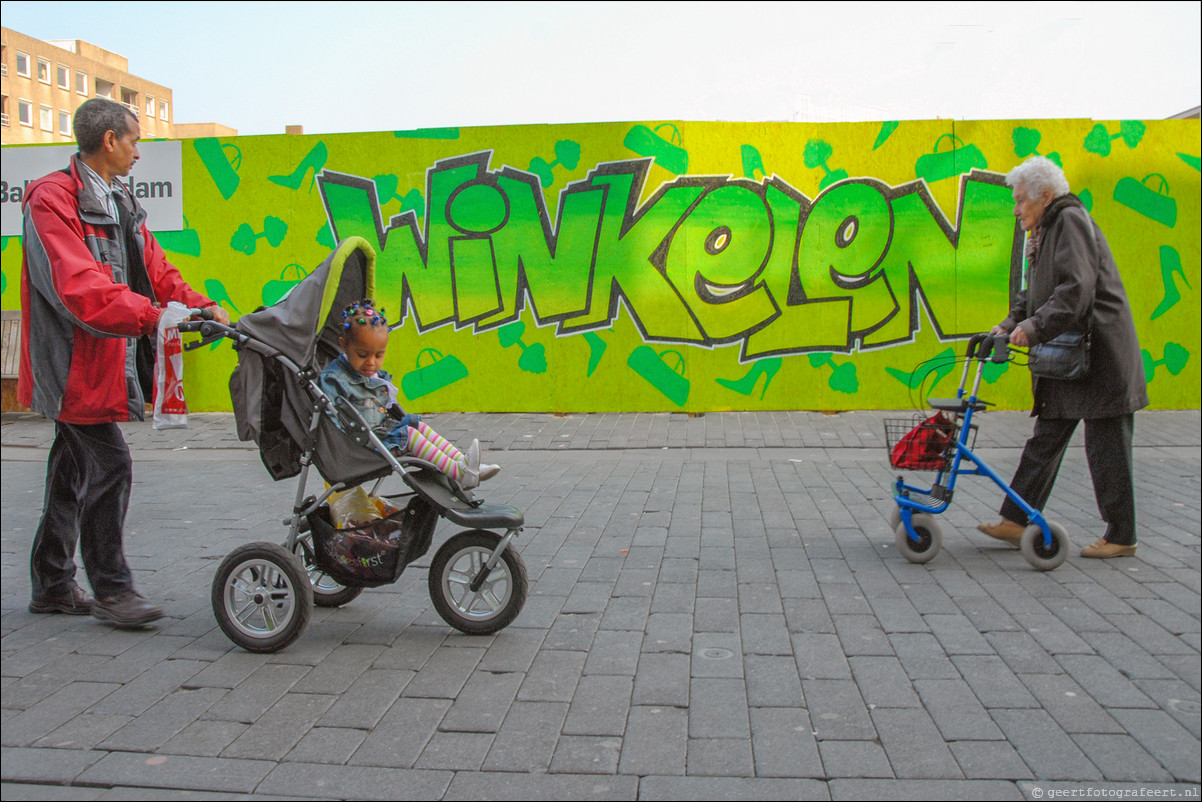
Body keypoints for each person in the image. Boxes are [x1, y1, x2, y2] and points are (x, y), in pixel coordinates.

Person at [19, 98, 231, 625]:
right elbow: (79, 288)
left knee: (71, 472)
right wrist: (153, 316)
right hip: (71, 365)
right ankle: (114, 591)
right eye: (135, 139)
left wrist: (197, 306)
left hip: (103, 362)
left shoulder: (120, 202)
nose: (139, 150)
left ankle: (51, 584)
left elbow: (156, 267)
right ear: (109, 140)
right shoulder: (51, 200)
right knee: (109, 466)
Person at [977, 156, 1148, 559]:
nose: (1016, 209)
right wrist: (1010, 323)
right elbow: (1036, 291)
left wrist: (1033, 329)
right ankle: (1016, 519)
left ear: (1046, 197)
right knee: (1046, 437)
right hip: (1072, 357)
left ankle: (1122, 536)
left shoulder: (1069, 222)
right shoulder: (1046, 230)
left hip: (1100, 358)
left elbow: (1076, 289)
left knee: (1107, 449)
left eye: (1021, 201)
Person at [319, 299, 500, 489]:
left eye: (378, 355)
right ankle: (460, 473)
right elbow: (334, 423)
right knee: (409, 435)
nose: (371, 362)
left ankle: (464, 464)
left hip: (379, 436)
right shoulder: (335, 379)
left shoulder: (371, 375)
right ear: (344, 345)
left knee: (416, 424)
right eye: (362, 355)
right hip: (362, 448)